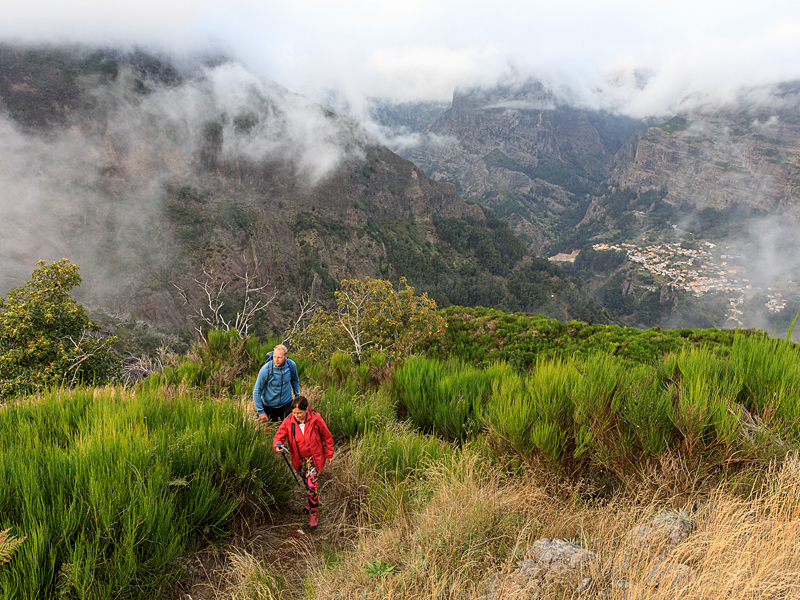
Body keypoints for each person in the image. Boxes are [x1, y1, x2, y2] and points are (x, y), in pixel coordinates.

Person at [273, 396, 334, 529]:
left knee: (311, 484)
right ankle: (311, 501)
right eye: (294, 412)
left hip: (314, 457)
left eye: (299, 413)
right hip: (299, 459)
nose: (296, 415)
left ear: (306, 410)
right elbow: (279, 436)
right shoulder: (289, 421)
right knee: (306, 482)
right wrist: (277, 445)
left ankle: (314, 512)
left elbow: (327, 436)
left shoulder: (316, 419)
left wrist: (329, 453)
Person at [253, 344, 299, 422]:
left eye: (279, 357)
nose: (276, 360)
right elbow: (256, 391)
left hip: (286, 404)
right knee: (269, 428)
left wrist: (297, 397)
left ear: (285, 356)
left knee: (291, 427)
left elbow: (295, 381)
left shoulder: (291, 365)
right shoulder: (266, 369)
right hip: (269, 406)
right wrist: (261, 411)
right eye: (274, 357)